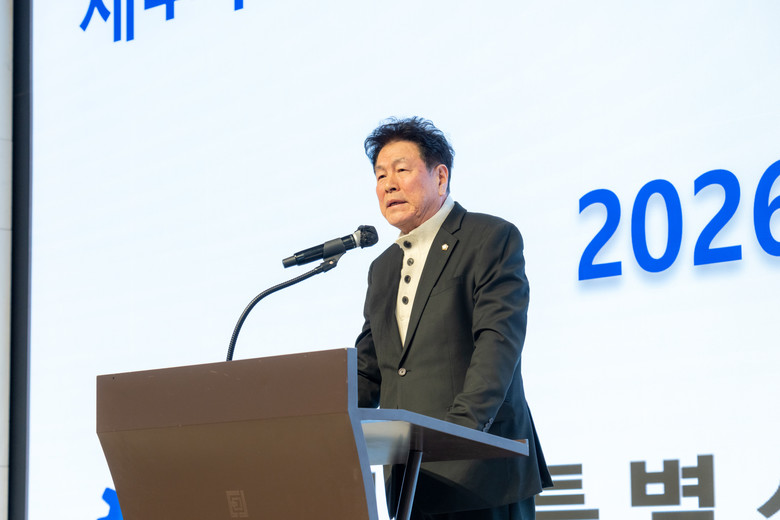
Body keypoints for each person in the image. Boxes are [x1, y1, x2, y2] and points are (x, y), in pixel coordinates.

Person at [355, 117, 552, 520]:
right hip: (410, 484)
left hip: (480, 473)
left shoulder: (489, 238)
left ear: (440, 176)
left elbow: (497, 345)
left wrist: (455, 438)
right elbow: (369, 370)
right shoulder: (382, 268)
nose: (388, 184)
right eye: (380, 175)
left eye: (401, 170)